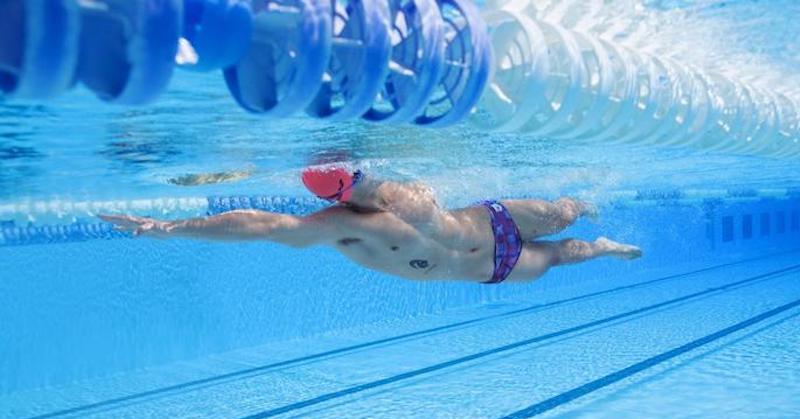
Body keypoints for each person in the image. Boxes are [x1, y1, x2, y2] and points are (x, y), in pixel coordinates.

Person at [101, 167, 641, 284]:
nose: (355, 191)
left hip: (494, 220)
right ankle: (604, 246)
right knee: (568, 253)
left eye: (354, 181)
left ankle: (584, 201)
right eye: (346, 188)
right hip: (496, 266)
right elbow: (264, 225)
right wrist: (167, 228)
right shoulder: (341, 226)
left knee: (564, 213)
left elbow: (414, 198)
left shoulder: (403, 193)